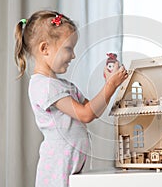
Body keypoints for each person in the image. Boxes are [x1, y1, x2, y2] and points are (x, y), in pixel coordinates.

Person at [14, 10, 128, 187]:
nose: (73, 56)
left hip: (70, 162)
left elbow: (92, 109)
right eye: (68, 49)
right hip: (58, 163)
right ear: (45, 49)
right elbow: (85, 115)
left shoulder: (64, 85)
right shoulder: (45, 86)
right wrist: (110, 86)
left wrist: (108, 84)